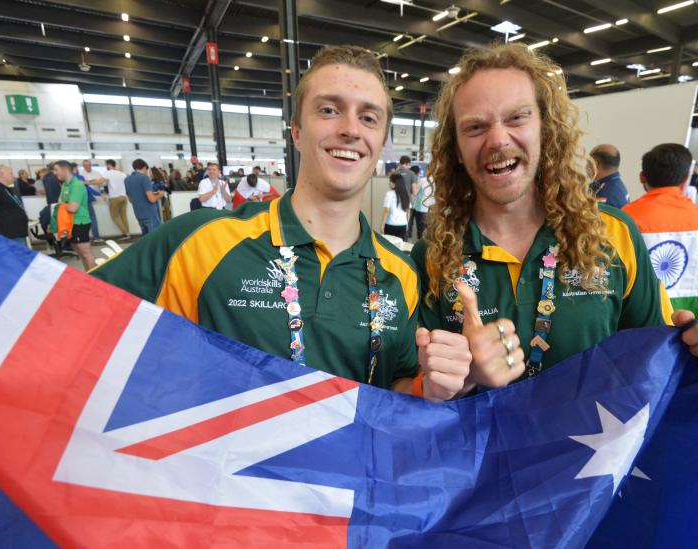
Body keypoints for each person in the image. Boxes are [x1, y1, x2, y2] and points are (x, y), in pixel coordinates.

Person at [91, 44, 474, 401]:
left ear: (380, 140)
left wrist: (432, 386)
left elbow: (398, 388)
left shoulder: (400, 274)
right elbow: (67, 319)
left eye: (368, 117)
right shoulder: (202, 242)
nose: (351, 129)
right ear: (296, 132)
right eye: (328, 110)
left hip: (348, 474)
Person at [412, 42, 698, 392]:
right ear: (456, 150)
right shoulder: (432, 254)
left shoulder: (612, 233)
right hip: (481, 453)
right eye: (475, 127)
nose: (497, 140)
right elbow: (420, 393)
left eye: (517, 118)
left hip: (596, 453)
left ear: (545, 130)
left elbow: (660, 361)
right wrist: (466, 378)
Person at [623, 144, 698, 317]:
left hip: (642, 319)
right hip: (689, 319)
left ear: (642, 177)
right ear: (686, 177)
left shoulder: (626, 218)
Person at [51, 160, 95, 270]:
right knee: (80, 254)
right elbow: (60, 201)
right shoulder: (65, 185)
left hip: (80, 223)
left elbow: (72, 208)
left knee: (86, 253)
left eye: (56, 170)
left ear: (65, 170)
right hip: (70, 223)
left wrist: (64, 204)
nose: (54, 173)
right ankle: (89, 276)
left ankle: (96, 279)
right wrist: (65, 204)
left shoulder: (77, 185)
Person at [124, 158, 164, 235]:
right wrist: (160, 195)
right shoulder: (144, 178)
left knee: (145, 239)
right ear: (144, 168)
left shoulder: (127, 180)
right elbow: (151, 199)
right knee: (154, 238)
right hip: (150, 213)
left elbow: (130, 199)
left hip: (138, 214)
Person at [590, 144, 630, 209]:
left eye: (589, 162)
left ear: (595, 163)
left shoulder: (605, 195)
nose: (587, 166)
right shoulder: (614, 184)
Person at [104, 159, 130, 241]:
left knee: (115, 216)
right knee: (123, 216)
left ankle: (125, 233)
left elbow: (100, 181)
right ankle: (127, 234)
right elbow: (127, 180)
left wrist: (87, 182)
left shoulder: (108, 173)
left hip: (114, 198)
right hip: (123, 197)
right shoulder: (122, 173)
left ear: (108, 165)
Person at [381, 172, 410, 239]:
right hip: (403, 224)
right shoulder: (406, 194)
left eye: (390, 181)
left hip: (391, 224)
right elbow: (408, 211)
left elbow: (386, 210)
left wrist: (382, 224)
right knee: (401, 246)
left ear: (394, 183)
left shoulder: (389, 194)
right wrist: (407, 224)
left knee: (389, 246)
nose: (389, 183)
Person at [409, 165, 433, 240]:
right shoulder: (438, 180)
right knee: (430, 229)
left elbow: (415, 192)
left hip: (421, 208)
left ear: (428, 170)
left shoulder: (423, 180)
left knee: (421, 230)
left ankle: (420, 246)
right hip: (432, 209)